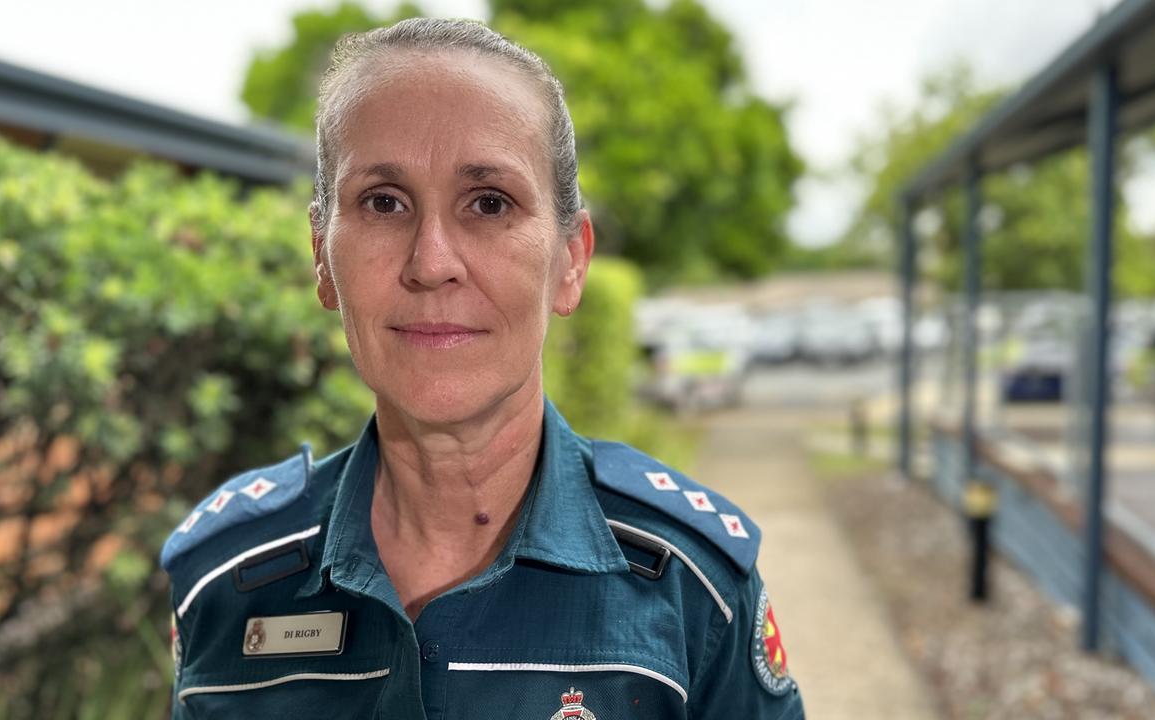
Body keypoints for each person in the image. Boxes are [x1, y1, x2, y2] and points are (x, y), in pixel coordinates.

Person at [161, 17, 805, 720]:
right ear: (321, 256)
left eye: (489, 203)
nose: (431, 262)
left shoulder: (691, 588)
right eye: (383, 202)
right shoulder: (225, 578)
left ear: (571, 261)